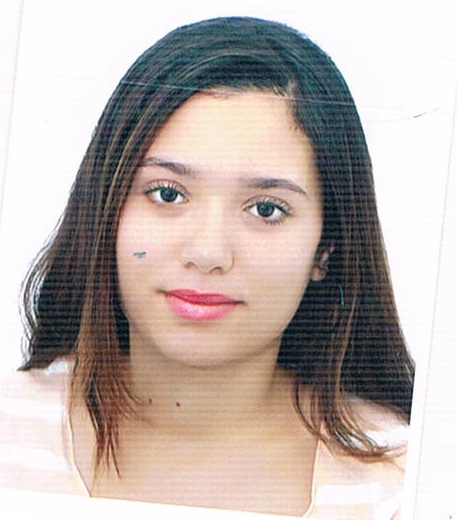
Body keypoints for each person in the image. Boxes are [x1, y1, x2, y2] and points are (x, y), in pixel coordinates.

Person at [0, 16, 414, 518]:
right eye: (167, 194)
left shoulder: (403, 483)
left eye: (266, 209)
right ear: (106, 210)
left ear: (326, 249)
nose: (208, 252)